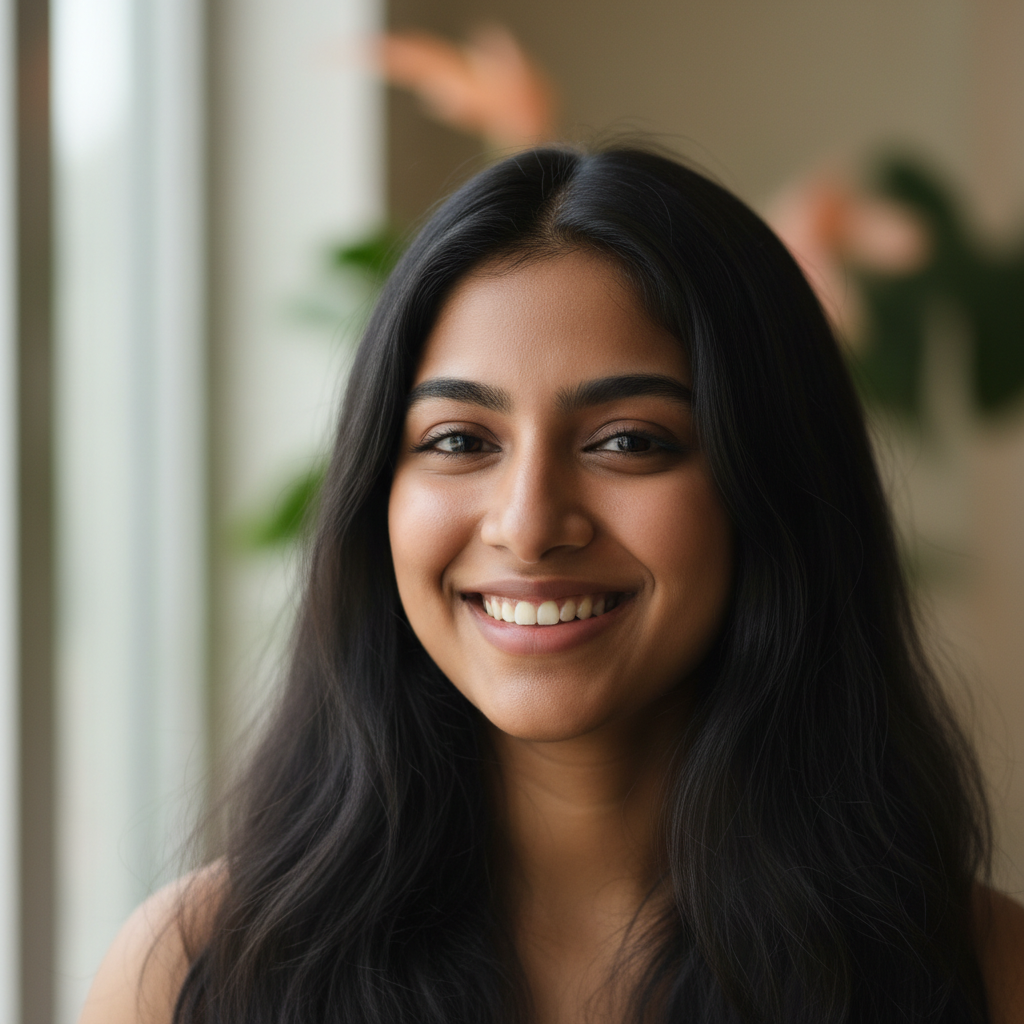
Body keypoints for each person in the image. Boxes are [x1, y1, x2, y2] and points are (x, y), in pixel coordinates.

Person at [81, 146, 1024, 1024]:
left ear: (772, 488)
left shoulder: (981, 975)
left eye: (628, 442)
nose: (529, 525)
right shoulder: (195, 974)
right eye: (459, 442)